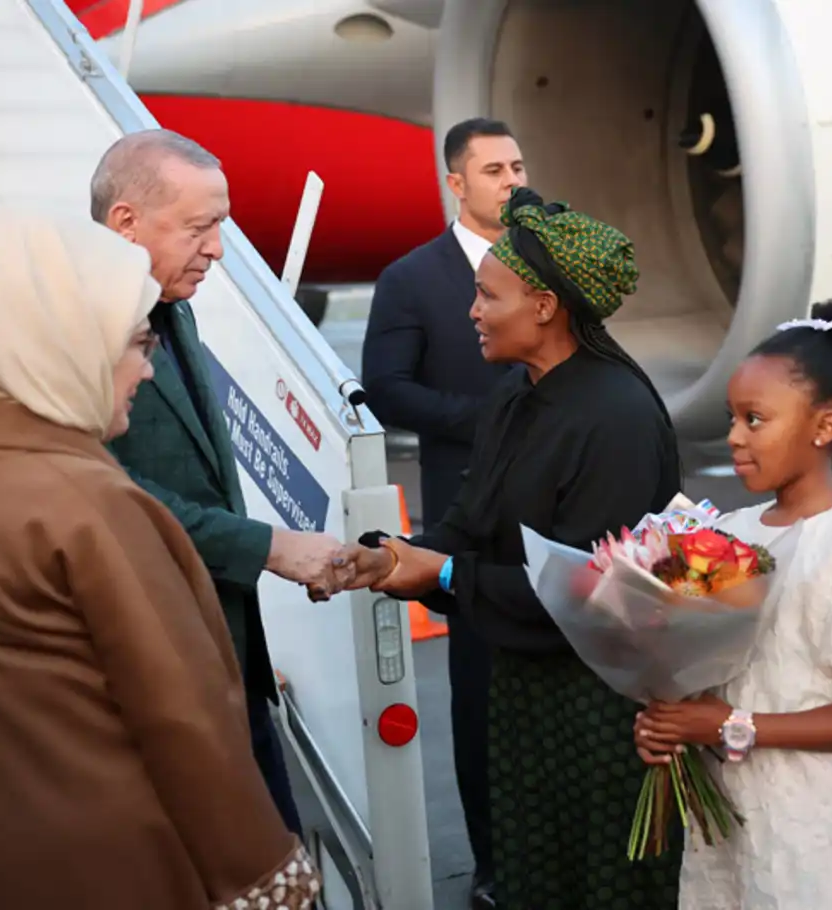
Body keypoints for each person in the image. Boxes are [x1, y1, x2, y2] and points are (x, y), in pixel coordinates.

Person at [0, 207, 320, 909]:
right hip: (117, 865)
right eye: (137, 344)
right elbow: (184, 721)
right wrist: (271, 882)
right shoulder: (89, 503)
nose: (146, 371)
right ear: (65, 345)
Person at [325, 187, 684, 909]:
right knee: (533, 876)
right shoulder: (516, 395)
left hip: (604, 712)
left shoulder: (615, 417)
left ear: (544, 306)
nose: (472, 311)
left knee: (602, 885)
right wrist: (394, 557)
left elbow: (592, 594)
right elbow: (472, 524)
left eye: (488, 296)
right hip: (525, 698)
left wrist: (446, 574)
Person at [633, 298, 832, 909]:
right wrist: (669, 722)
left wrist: (729, 725)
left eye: (755, 419)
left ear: (823, 426)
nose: (734, 436)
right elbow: (705, 672)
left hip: (822, 825)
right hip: (733, 816)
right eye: (732, 417)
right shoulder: (727, 534)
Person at [91, 129, 345, 834]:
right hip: (157, 673)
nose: (218, 249)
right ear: (125, 222)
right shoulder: (82, 330)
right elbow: (106, 490)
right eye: (199, 228)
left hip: (223, 656)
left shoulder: (173, 308)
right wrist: (269, 547)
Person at [361, 117, 527, 906]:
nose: (513, 181)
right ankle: (494, 865)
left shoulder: (547, 260)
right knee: (483, 693)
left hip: (557, 500)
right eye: (494, 170)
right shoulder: (412, 278)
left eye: (518, 166)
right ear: (455, 183)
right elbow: (387, 387)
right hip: (468, 503)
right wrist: (486, 419)